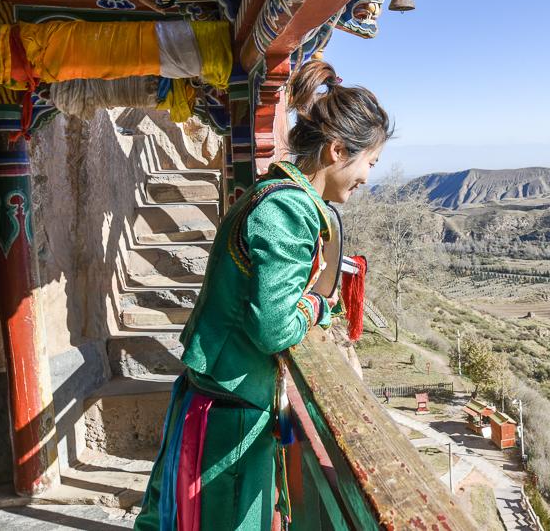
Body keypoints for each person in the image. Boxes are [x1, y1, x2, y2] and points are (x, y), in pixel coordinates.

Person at [134, 60, 392, 531]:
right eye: (368, 163)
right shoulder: (290, 210)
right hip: (230, 409)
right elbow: (274, 328)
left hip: (216, 392)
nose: (367, 177)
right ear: (337, 150)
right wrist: (317, 304)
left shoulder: (273, 192)